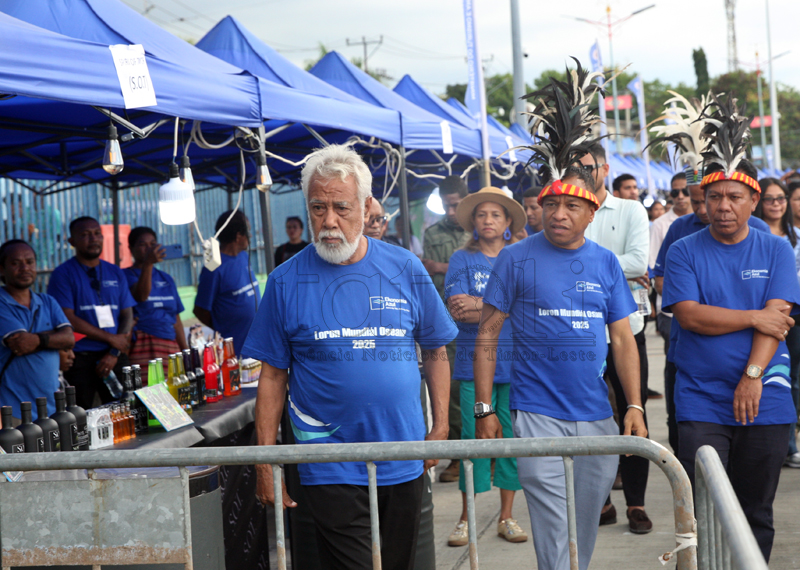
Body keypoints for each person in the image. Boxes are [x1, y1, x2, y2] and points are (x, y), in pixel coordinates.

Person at [243, 144, 456, 570]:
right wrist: (265, 463)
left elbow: (435, 349)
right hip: (327, 460)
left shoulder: (405, 267)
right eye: (317, 208)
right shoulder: (285, 281)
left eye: (341, 207)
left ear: (366, 206)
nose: (328, 221)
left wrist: (441, 425)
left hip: (403, 453)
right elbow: (272, 376)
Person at [475, 61, 647, 570]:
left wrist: (634, 404)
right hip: (535, 414)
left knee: (584, 524)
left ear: (592, 213)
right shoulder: (515, 258)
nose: (559, 214)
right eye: (551, 204)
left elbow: (623, 339)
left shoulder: (606, 262)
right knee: (553, 527)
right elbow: (487, 333)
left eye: (572, 207)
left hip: (596, 415)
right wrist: (484, 410)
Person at [662, 93, 800, 562]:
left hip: (767, 396)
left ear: (754, 200)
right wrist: (752, 315)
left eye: (735, 197)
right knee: (703, 509)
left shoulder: (775, 249)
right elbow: (689, 315)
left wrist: (752, 376)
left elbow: (777, 321)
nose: (723, 206)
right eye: (715, 196)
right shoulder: (684, 250)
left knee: (756, 510)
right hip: (700, 397)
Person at [444, 187, 528, 547]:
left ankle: (507, 516)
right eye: (481, 215)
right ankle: (467, 518)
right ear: (473, 222)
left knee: (511, 442)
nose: (488, 220)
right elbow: (458, 310)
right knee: (473, 441)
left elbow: (527, 307)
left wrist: (482, 304)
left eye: (495, 214)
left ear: (508, 221)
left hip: (516, 366)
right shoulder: (461, 259)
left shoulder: (520, 257)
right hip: (471, 366)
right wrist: (505, 305)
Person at [579, 143, 653, 533]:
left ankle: (636, 504)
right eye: (575, 168)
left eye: (589, 167)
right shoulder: (567, 209)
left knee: (633, 412)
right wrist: (612, 268)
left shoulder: (630, 209)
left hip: (627, 330)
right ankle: (602, 502)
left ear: (605, 169)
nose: (583, 174)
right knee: (589, 418)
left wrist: (583, 267)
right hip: (581, 334)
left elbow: (639, 261)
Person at [47, 217, 135, 409]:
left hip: (114, 355)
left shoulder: (115, 271)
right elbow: (67, 317)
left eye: (97, 233)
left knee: (128, 410)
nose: (93, 239)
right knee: (80, 414)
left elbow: (127, 314)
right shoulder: (63, 274)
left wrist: (114, 351)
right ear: (72, 241)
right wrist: (111, 338)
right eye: (85, 235)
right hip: (80, 358)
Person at [422, 175, 470, 482]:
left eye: (456, 205)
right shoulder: (433, 233)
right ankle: (457, 454)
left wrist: (441, 266)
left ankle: (489, 450)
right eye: (446, 206)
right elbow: (431, 276)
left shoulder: (480, 226)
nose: (451, 212)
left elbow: (484, 268)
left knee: (483, 387)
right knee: (451, 389)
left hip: (482, 322)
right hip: (448, 321)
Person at [0, 239, 74, 420]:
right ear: (2, 269)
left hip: (53, 408)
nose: (24, 268)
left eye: (30, 262)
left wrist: (37, 340)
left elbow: (69, 339)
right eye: (15, 263)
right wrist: (55, 338)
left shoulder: (47, 301)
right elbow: (21, 344)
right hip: (13, 412)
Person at [754, 178, 800, 468]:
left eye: (781, 198)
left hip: (792, 316)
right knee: (761, 373)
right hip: (761, 315)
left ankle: (789, 444)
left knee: (789, 378)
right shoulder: (753, 235)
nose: (776, 204)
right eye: (769, 199)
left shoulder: (794, 235)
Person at [124, 227, 188, 385]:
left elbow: (176, 319)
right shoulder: (124, 276)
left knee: (174, 392)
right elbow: (141, 296)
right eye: (142, 244)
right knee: (148, 393)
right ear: (131, 249)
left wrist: (186, 352)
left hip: (170, 346)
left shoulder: (166, 279)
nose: (149, 249)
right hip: (142, 347)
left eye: (152, 244)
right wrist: (148, 264)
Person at [194, 210, 260, 356]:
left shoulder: (243, 256)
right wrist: (223, 327)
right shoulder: (213, 269)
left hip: (257, 347)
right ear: (238, 236)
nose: (250, 235)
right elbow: (200, 310)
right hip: (235, 352)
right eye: (248, 231)